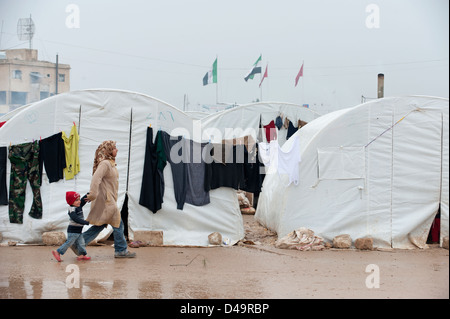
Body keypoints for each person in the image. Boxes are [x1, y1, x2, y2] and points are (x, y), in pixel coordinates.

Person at [72, 140, 136, 258]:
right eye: (114, 148)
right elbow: (95, 179)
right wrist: (92, 194)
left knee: (100, 225)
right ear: (108, 150)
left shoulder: (110, 163)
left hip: (108, 199)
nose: (116, 150)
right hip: (106, 201)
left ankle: (78, 243)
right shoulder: (105, 164)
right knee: (118, 223)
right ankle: (121, 250)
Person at [52, 191, 91, 262]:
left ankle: (82, 255)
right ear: (71, 202)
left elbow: (82, 201)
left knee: (81, 242)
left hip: (78, 231)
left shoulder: (78, 205)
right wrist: (85, 222)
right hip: (73, 231)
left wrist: (87, 195)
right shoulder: (72, 209)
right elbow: (75, 218)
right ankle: (58, 252)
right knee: (69, 242)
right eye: (76, 200)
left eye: (79, 199)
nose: (79, 201)